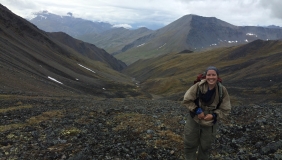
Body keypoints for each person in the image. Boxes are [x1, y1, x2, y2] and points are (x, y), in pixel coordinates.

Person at [182, 66, 231, 160]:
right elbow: (187, 100)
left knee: (205, 147)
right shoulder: (198, 86)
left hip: (210, 122)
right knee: (190, 144)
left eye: (213, 75)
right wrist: (197, 110)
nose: (211, 77)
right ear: (205, 76)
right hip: (194, 119)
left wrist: (213, 115)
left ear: (217, 76)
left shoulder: (222, 90)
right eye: (209, 75)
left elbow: (226, 109)